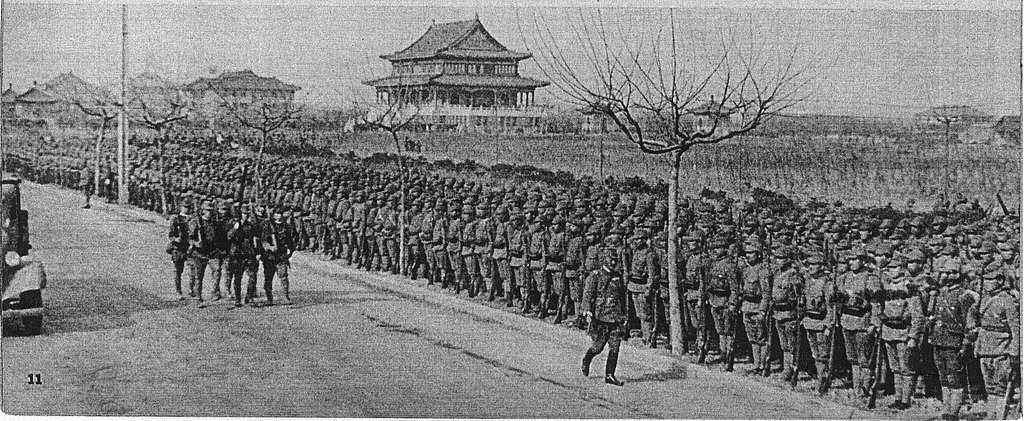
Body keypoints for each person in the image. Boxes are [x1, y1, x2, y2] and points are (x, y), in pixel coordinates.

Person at [928, 260, 978, 420]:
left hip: (954, 344)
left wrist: (965, 344)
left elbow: (969, 324)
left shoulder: (964, 296)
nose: (946, 276)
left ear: (958, 275)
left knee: (955, 379)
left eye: (950, 273)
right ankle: (946, 409)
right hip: (939, 341)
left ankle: (953, 412)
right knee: (943, 378)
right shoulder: (940, 293)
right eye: (944, 273)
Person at [581, 227, 629, 386]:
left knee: (615, 346)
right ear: (603, 260)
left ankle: (609, 375)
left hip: (615, 316)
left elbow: (622, 297)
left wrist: (624, 315)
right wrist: (587, 311)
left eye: (615, 259)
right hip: (600, 316)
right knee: (598, 346)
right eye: (610, 259)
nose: (613, 262)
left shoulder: (617, 277)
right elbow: (588, 294)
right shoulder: (595, 276)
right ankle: (587, 360)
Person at [973, 267, 1021, 419]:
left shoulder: (1007, 300)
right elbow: (981, 325)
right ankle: (991, 415)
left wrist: (1014, 352)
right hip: (985, 348)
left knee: (1000, 387)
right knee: (989, 386)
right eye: (985, 279)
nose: (986, 283)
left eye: (990, 280)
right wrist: (977, 346)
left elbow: (1016, 329)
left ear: (1000, 281)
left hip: (1001, 350)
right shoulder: (984, 298)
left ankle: (999, 416)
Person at [261, 208, 296, 306]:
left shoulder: (286, 226)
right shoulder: (267, 226)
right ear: (273, 215)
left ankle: (286, 297)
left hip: (281, 256)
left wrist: (290, 251)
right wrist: (270, 247)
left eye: (280, 213)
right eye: (277, 213)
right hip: (269, 257)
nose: (279, 215)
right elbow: (263, 240)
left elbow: (290, 241)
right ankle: (269, 299)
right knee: (268, 278)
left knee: (283, 277)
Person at [227, 205, 259, 307]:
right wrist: (235, 228)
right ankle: (237, 299)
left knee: (252, 276)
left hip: (249, 253)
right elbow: (228, 237)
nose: (246, 216)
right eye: (244, 214)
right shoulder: (234, 224)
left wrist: (257, 252)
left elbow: (255, 239)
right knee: (237, 277)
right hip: (237, 254)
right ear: (240, 214)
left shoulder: (250, 226)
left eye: (247, 214)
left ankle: (249, 297)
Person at [188, 201, 218, 307]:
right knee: (198, 277)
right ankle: (198, 298)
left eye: (211, 211)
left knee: (217, 270)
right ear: (202, 211)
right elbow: (190, 238)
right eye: (207, 211)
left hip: (212, 253)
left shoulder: (214, 223)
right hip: (199, 253)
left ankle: (214, 292)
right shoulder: (196, 222)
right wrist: (196, 243)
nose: (209, 213)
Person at [167, 201, 192, 300]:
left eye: (188, 207)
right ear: (181, 207)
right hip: (179, 247)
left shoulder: (192, 218)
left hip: (189, 246)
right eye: (185, 207)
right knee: (178, 270)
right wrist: (175, 239)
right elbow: (171, 234)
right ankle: (178, 291)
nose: (186, 209)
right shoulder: (175, 218)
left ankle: (191, 289)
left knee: (193, 270)